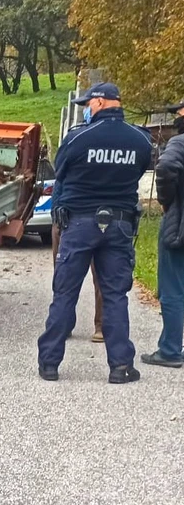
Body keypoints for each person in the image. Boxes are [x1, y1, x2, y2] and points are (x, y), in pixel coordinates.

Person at [36, 82, 152, 384]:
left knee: (65, 292)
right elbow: (140, 171)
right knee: (115, 295)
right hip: (120, 225)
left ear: (100, 103)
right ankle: (120, 367)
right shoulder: (140, 140)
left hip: (79, 224)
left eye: (88, 103)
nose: (86, 108)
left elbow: (60, 171)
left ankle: (49, 364)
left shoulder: (78, 138)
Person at [51, 121, 104, 344]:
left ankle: (101, 324)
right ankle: (64, 323)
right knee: (63, 277)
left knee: (101, 276)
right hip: (65, 218)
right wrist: (56, 216)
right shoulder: (70, 152)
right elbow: (58, 184)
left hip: (94, 219)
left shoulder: (99, 158)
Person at [142, 100, 184, 368]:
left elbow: (166, 168)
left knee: (172, 288)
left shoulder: (179, 143)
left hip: (179, 226)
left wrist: (167, 202)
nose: (177, 115)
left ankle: (170, 350)